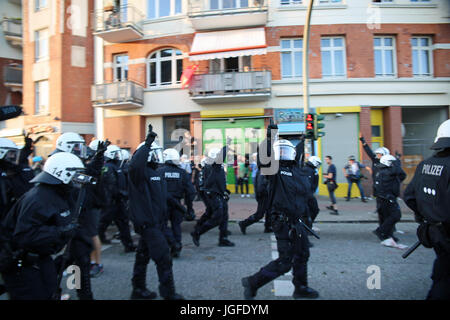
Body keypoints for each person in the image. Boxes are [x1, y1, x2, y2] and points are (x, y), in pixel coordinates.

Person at [241, 123, 319, 300]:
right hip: (282, 222)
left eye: (286, 151)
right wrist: (270, 138)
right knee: (285, 261)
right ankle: (253, 282)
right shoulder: (274, 171)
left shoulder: (298, 172)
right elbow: (263, 160)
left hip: (298, 223)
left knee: (303, 254)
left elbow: (306, 196)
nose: (284, 154)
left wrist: (302, 140)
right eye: (280, 151)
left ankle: (301, 288)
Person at [0, 152, 84, 300]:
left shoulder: (59, 194)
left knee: (51, 293)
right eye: (75, 174)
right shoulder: (38, 198)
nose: (78, 178)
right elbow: (23, 236)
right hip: (22, 265)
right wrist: (59, 232)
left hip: (41, 259)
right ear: (62, 173)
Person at [128, 124, 184, 300]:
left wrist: (179, 207)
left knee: (142, 257)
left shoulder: (156, 173)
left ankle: (138, 290)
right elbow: (134, 165)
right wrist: (147, 144)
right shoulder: (138, 173)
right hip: (148, 224)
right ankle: (169, 295)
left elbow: (164, 196)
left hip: (158, 223)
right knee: (164, 259)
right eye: (154, 152)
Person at [403, 119, 450, 300]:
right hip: (447, 231)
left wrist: (426, 216)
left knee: (442, 272)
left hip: (434, 231)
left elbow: (409, 196)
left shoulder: (425, 165)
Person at [191, 145, 235, 247]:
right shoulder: (213, 166)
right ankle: (197, 232)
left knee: (224, 216)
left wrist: (225, 191)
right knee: (217, 218)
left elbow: (217, 181)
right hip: (214, 195)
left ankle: (223, 238)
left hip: (219, 194)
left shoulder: (214, 166)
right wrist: (226, 146)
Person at [158, 148, 196, 258]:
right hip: (177, 204)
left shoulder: (159, 171)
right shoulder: (182, 173)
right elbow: (190, 192)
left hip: (162, 204)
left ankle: (170, 244)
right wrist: (189, 208)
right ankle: (177, 246)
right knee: (176, 226)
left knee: (162, 226)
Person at [98, 144, 136, 253]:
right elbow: (111, 185)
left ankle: (128, 245)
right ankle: (97, 240)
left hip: (118, 201)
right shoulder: (108, 167)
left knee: (123, 223)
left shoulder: (116, 166)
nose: (118, 156)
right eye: (115, 154)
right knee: (102, 222)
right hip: (111, 201)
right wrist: (122, 194)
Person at [372, 154, 407, 247]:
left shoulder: (382, 171)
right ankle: (381, 231)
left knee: (387, 217)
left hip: (383, 198)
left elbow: (401, 176)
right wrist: (397, 162)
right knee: (396, 216)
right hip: (387, 198)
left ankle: (388, 235)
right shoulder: (388, 172)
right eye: (392, 162)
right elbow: (402, 174)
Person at [238, 153, 272, 234]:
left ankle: (267, 227)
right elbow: (261, 185)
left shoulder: (264, 169)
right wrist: (263, 194)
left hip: (264, 195)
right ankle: (243, 223)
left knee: (269, 211)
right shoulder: (263, 170)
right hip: (263, 195)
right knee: (260, 214)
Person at [303, 156, 322, 225]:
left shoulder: (311, 170)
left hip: (308, 194)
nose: (318, 166)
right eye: (318, 164)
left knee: (311, 211)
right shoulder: (308, 170)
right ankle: (307, 226)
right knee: (313, 210)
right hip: (307, 195)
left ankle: (307, 226)